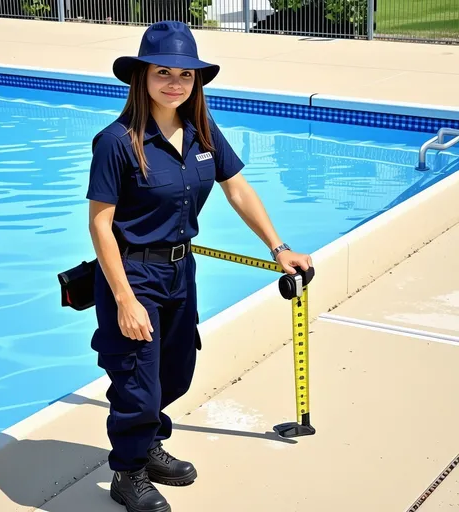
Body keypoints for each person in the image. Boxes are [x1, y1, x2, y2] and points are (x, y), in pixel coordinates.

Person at [86, 20, 313, 512]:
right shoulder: (116, 142)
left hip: (179, 272)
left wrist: (280, 247)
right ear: (142, 76)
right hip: (133, 274)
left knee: (176, 374)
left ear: (196, 82)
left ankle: (147, 444)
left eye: (185, 75)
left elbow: (237, 188)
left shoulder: (202, 133)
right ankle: (127, 472)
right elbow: (101, 226)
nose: (175, 82)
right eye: (163, 71)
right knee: (136, 381)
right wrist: (124, 298)